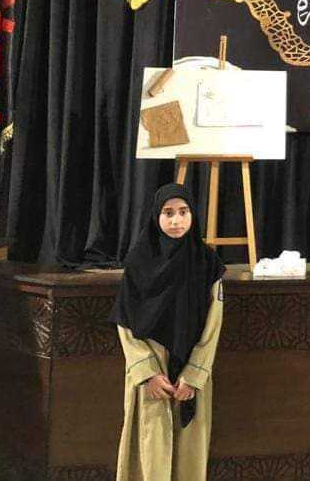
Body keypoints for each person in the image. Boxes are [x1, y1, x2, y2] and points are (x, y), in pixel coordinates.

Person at [110, 183, 226, 481]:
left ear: (193, 215)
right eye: (168, 213)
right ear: (156, 216)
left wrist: (194, 374)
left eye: (184, 212)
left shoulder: (207, 263)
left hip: (190, 371)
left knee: (189, 456)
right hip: (152, 370)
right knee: (150, 452)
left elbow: (213, 323)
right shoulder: (139, 262)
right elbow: (125, 320)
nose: (177, 221)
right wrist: (147, 373)